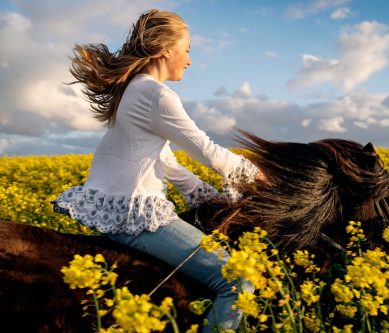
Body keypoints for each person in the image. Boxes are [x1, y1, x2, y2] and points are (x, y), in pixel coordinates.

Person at [51, 9, 260, 332]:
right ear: (166, 49)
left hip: (121, 212)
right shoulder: (156, 94)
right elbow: (205, 150)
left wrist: (207, 198)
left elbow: (167, 163)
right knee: (239, 279)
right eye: (187, 49)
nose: (189, 60)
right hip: (137, 216)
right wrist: (254, 174)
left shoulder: (133, 90)